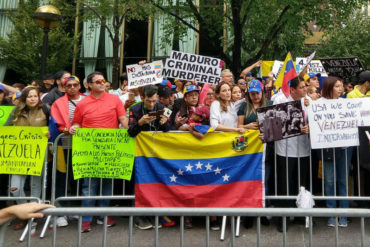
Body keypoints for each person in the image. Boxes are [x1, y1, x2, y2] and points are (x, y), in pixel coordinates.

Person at [69, 71, 128, 233]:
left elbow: (123, 119)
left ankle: (103, 215)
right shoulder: (82, 103)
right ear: (89, 85)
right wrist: (74, 128)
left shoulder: (115, 100)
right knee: (89, 184)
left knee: (107, 183)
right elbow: (77, 123)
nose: (102, 83)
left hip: (110, 149)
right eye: (98, 81)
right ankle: (86, 218)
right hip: (89, 150)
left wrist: (132, 130)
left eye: (103, 81)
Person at [5, 87, 50, 230]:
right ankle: (24, 213)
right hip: (18, 156)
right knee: (15, 188)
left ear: (39, 97)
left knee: (36, 187)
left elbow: (54, 127)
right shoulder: (16, 111)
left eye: (35, 96)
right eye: (29, 96)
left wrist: (51, 133)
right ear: (24, 98)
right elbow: (6, 128)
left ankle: (33, 218)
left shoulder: (46, 109)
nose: (32, 99)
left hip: (38, 155)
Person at [270, 77, 309, 232]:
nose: (305, 89)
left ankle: (301, 214)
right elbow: (272, 125)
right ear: (292, 89)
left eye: (305, 86)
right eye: (301, 87)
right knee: (284, 185)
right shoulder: (280, 99)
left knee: (301, 184)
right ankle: (283, 218)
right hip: (285, 150)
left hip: (304, 150)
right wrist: (299, 128)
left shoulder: (308, 101)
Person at [50, 75, 85, 227]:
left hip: (84, 145)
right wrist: (64, 129)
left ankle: (76, 209)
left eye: (75, 85)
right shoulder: (58, 102)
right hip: (63, 144)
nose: (72, 87)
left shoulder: (87, 99)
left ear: (79, 86)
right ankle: (60, 212)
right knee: (61, 178)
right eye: (68, 85)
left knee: (79, 178)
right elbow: (55, 122)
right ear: (64, 88)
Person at [318, 76, 352, 227]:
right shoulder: (318, 104)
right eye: (337, 86)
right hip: (327, 149)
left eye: (341, 86)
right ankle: (331, 213)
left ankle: (343, 214)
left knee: (343, 180)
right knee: (329, 181)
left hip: (345, 148)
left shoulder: (346, 104)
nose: (341, 89)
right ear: (330, 87)